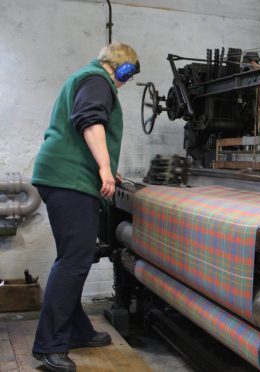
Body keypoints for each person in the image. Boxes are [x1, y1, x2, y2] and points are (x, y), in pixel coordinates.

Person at [31, 42, 140, 372]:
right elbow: (90, 121)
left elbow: (83, 130)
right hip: (68, 181)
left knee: (72, 258)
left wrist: (106, 168)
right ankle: (49, 346)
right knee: (74, 260)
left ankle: (77, 330)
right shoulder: (98, 81)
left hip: (63, 177)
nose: (127, 81)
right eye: (129, 74)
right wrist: (103, 168)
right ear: (122, 69)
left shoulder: (87, 77)